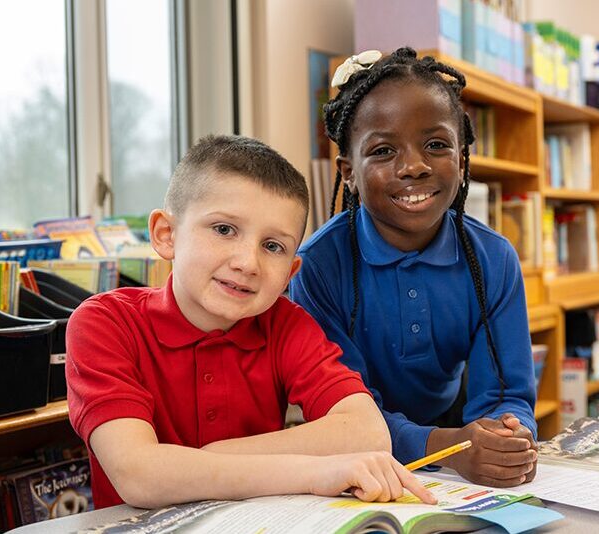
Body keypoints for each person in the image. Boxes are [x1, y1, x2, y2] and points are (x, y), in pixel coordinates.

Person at [66, 135, 435, 509]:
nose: (247, 263)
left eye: (272, 246)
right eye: (224, 230)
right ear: (167, 235)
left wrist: (203, 458)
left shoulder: (286, 325)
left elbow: (368, 433)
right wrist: (312, 472)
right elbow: (138, 474)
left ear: (290, 272)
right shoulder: (103, 324)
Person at [290, 48, 538, 488]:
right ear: (348, 172)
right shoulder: (317, 267)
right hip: (356, 445)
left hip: (450, 428)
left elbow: (506, 395)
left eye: (436, 145)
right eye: (384, 150)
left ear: (462, 160)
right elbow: (342, 414)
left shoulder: (493, 260)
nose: (415, 166)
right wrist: (447, 447)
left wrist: (507, 438)